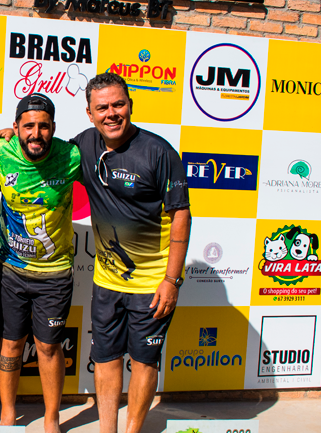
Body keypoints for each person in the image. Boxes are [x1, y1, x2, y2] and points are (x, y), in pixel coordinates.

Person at [71, 72, 190, 433]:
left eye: (118, 104)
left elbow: (181, 214)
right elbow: (41, 151)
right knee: (105, 359)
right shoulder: (84, 145)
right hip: (107, 282)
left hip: (152, 285)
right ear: (89, 113)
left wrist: (171, 280)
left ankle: (132, 431)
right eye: (102, 107)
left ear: (130, 105)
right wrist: (6, 135)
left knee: (143, 361)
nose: (111, 113)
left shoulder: (159, 151)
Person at [0, 94, 82, 433]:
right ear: (16, 128)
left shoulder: (71, 156)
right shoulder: (0, 153)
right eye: (28, 125)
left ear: (53, 128)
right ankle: (6, 415)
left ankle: (52, 418)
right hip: (10, 270)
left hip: (54, 273)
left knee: (48, 345)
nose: (36, 133)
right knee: (11, 343)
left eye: (44, 126)